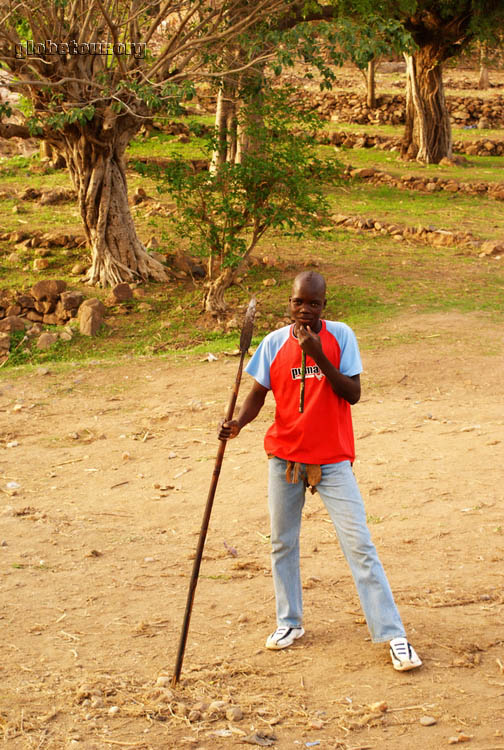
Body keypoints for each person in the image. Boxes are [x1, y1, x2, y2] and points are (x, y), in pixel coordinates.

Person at [219, 270, 421, 672]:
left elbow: (353, 393)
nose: (305, 310)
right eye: (299, 302)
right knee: (282, 543)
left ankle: (392, 634)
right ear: (289, 303)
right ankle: (289, 623)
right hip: (285, 459)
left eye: (314, 303)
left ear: (324, 305)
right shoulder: (274, 343)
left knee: (359, 545)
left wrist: (318, 355)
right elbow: (257, 394)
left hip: (331, 459)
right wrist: (238, 423)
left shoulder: (341, 336)